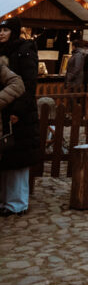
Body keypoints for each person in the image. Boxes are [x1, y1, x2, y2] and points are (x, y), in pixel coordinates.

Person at [0, 18, 39, 216]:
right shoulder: (3, 52)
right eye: (0, 30)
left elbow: (29, 85)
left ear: (13, 31)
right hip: (4, 112)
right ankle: (6, 201)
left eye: (5, 30)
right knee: (6, 158)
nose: (1, 33)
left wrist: (18, 111)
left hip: (19, 113)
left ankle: (17, 202)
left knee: (18, 159)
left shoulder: (25, 51)